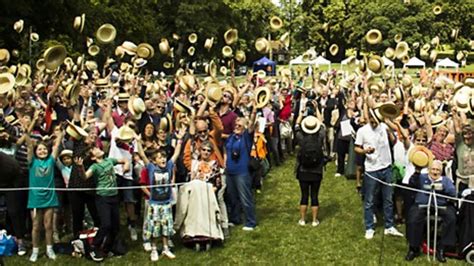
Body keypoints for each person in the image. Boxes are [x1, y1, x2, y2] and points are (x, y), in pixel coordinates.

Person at [137, 127, 185, 261]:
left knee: (166, 227)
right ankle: (153, 249)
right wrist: (138, 142)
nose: (163, 159)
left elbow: (176, 153)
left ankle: (165, 248)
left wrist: (180, 139)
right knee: (154, 228)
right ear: (154, 161)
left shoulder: (169, 165)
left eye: (163, 156)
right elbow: (142, 155)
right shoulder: (151, 167)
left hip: (166, 203)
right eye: (159, 157)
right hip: (154, 203)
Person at [354, 109, 403, 239]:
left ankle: (389, 226)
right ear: (369, 118)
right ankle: (369, 227)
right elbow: (356, 147)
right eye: (372, 120)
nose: (374, 123)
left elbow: (394, 141)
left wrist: (389, 131)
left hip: (386, 167)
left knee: (388, 198)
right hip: (371, 169)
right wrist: (365, 151)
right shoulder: (362, 131)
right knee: (369, 200)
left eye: (376, 121)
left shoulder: (384, 127)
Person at [76, 146, 130, 262]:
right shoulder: (95, 167)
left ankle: (106, 249)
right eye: (95, 149)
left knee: (115, 227)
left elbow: (125, 160)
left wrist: (126, 166)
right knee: (106, 224)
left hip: (114, 196)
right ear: (94, 157)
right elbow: (85, 177)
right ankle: (93, 247)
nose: (98, 148)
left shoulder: (109, 160)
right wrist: (80, 167)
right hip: (103, 198)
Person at [405, 160, 456, 263]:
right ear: (428, 170)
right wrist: (417, 172)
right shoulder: (422, 177)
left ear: (441, 171)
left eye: (438, 170)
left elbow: (453, 193)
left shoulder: (445, 180)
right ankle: (413, 248)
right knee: (413, 217)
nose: (435, 172)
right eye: (433, 169)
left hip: (440, 205)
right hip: (422, 204)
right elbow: (412, 182)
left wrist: (442, 187)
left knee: (451, 218)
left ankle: (442, 248)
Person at [26, 130, 63, 262]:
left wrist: (60, 134)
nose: (42, 151)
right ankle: (35, 250)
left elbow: (56, 146)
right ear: (36, 152)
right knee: (36, 226)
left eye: (44, 149)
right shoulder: (32, 162)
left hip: (49, 198)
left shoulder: (51, 161)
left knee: (48, 226)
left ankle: (49, 248)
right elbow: (29, 146)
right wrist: (26, 133)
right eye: (39, 149)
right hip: (35, 199)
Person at [224, 103, 257, 231]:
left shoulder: (246, 138)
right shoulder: (231, 137)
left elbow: (251, 125)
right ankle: (235, 218)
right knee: (232, 197)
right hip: (230, 171)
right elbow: (226, 151)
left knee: (245, 197)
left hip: (242, 172)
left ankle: (251, 221)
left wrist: (253, 112)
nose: (236, 127)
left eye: (239, 126)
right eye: (236, 125)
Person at [294, 114, 327, 227]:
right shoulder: (320, 137)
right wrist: (317, 109)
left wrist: (301, 113)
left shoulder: (300, 138)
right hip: (317, 170)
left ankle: (302, 219)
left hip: (303, 170)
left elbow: (296, 126)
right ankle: (314, 220)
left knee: (304, 195)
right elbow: (322, 124)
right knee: (314, 195)